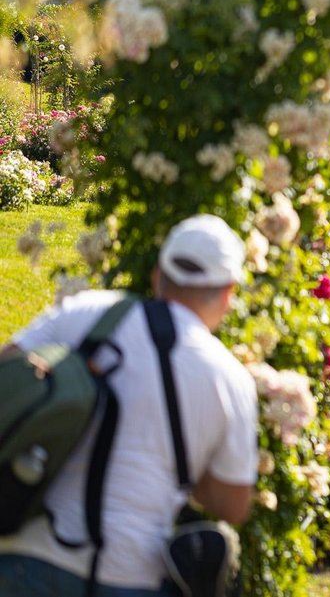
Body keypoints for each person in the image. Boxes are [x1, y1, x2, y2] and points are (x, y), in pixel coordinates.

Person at [0, 214, 260, 597]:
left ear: (158, 276)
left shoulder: (85, 313)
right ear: (227, 294)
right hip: (130, 575)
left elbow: (8, 369)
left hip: (27, 557)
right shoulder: (229, 377)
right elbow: (232, 506)